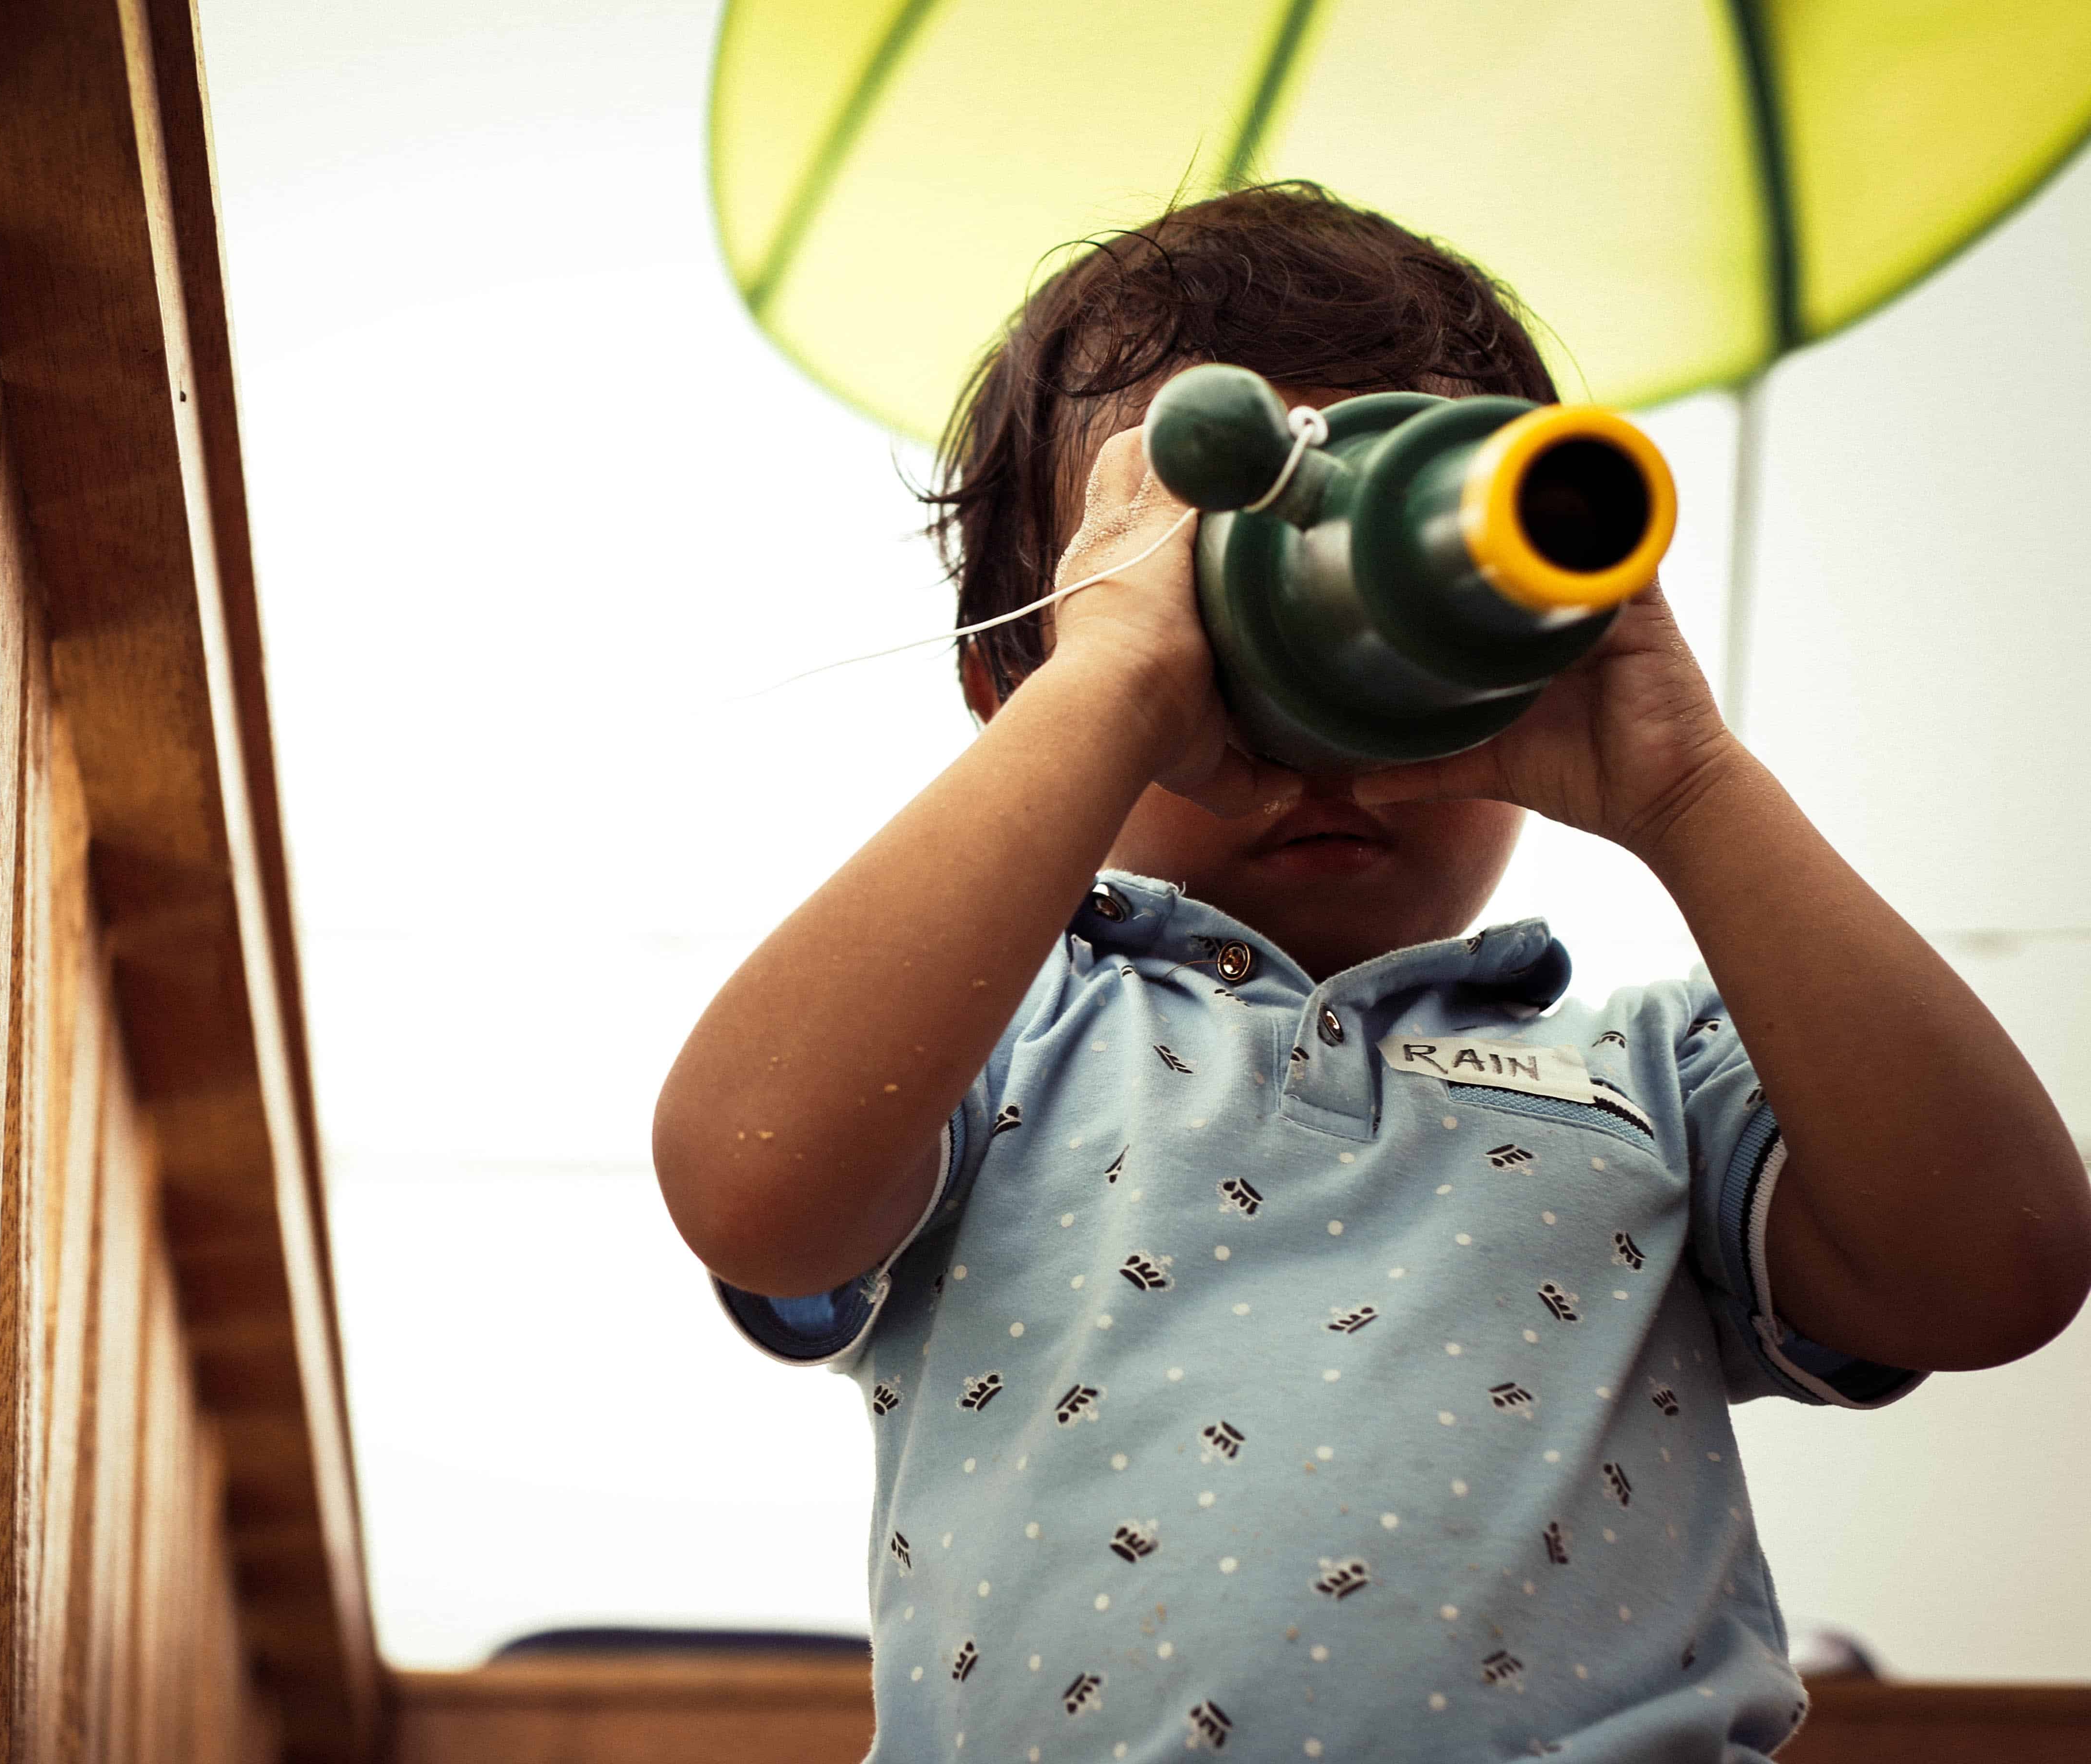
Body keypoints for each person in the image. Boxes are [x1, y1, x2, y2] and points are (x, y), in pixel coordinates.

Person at [651, 184, 2091, 1760]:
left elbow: (1999, 1265)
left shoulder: (1658, 1079)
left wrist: (1684, 783)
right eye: (1223, 614)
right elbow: (753, 1177)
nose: (1322, 728)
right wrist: (1125, 678)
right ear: (1020, 683)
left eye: (1402, 623)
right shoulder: (988, 1045)